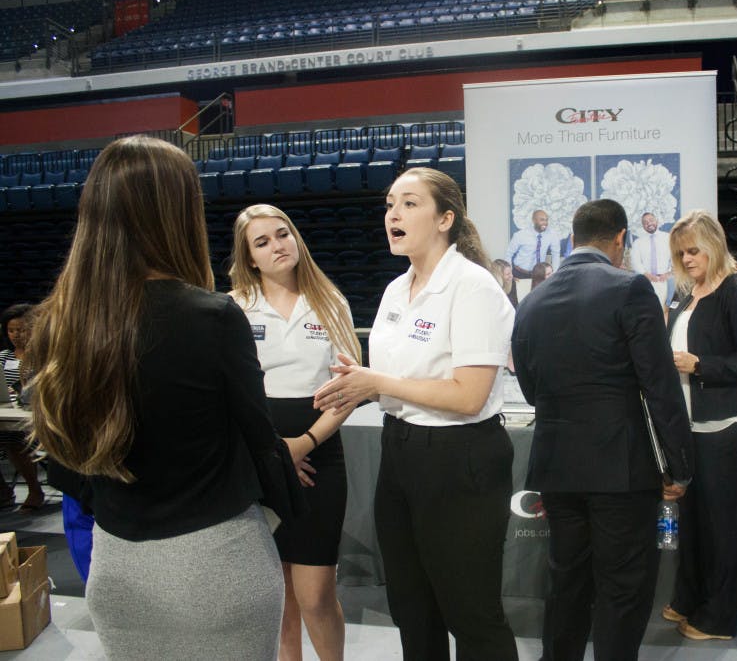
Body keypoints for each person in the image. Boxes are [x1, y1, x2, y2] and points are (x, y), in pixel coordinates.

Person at [26, 136, 285, 659]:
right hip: (219, 569)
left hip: (117, 570)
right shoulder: (212, 317)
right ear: (177, 211)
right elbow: (262, 444)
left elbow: (67, 464)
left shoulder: (58, 321)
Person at [313, 167, 518, 661]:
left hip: (459, 456)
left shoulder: (473, 287)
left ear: (446, 218)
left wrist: (376, 382)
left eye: (408, 203)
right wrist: (358, 381)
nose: (393, 215)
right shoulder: (395, 291)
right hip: (401, 450)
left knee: (471, 613)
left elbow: (468, 395)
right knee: (411, 605)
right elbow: (401, 379)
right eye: (389, 204)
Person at [511, 198, 693, 661]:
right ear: (620, 240)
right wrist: (679, 466)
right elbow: (660, 387)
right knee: (622, 589)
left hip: (556, 466)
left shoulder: (532, 300)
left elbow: (531, 390)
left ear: (572, 240)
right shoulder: (631, 288)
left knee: (567, 582)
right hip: (621, 468)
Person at [229, 203, 361, 661]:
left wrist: (302, 445)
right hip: (256, 462)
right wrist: (271, 453)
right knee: (277, 598)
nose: (277, 246)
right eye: (261, 242)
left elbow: (349, 389)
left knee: (316, 596)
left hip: (319, 458)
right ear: (249, 258)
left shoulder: (331, 302)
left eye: (282, 235)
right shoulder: (235, 308)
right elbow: (228, 395)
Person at [661, 210, 737, 641]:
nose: (687, 259)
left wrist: (699, 364)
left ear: (714, 246)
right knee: (693, 522)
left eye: (693, 250)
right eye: (681, 253)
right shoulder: (687, 297)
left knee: (721, 526)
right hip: (689, 426)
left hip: (724, 427)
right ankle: (689, 597)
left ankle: (719, 616)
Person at [0, 303, 45, 512]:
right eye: (11, 330)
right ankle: (3, 491)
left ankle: (34, 490)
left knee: (14, 439)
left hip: (35, 414)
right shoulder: (3, 357)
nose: (16, 335)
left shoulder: (43, 356)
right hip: (8, 410)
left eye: (21, 329)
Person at [506, 208, 561, 298]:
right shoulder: (520, 235)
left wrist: (554, 274)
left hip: (539, 273)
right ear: (534, 220)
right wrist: (510, 274)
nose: (545, 223)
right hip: (519, 273)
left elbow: (556, 254)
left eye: (546, 220)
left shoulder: (552, 234)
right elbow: (509, 254)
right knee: (519, 299)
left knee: (538, 299)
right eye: (542, 220)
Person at [631, 211, 674, 307]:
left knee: (665, 309)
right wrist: (647, 275)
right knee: (648, 308)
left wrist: (669, 273)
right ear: (643, 226)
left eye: (651, 220)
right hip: (647, 281)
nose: (649, 223)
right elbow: (635, 262)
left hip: (665, 281)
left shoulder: (668, 238)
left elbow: (675, 257)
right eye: (645, 222)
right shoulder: (638, 242)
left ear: (657, 221)